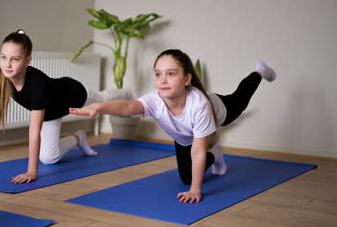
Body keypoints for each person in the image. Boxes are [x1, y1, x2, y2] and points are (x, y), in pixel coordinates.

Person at [0, 29, 132, 184]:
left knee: (102, 98)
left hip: (72, 93)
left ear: (27, 60)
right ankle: (78, 138)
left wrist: (31, 171)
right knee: (49, 158)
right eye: (3, 57)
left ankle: (125, 94)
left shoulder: (37, 85)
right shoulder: (2, 76)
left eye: (14, 59)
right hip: (52, 113)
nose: (7, 64)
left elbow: (34, 131)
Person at [69, 49, 276, 203]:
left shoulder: (199, 104)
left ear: (187, 79)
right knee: (186, 179)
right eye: (158, 74)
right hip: (183, 137)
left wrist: (196, 190)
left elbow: (197, 149)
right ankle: (217, 155)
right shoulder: (155, 100)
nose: (163, 80)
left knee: (240, 98)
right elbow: (128, 106)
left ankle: (259, 72)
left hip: (219, 110)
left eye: (171, 74)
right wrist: (97, 106)